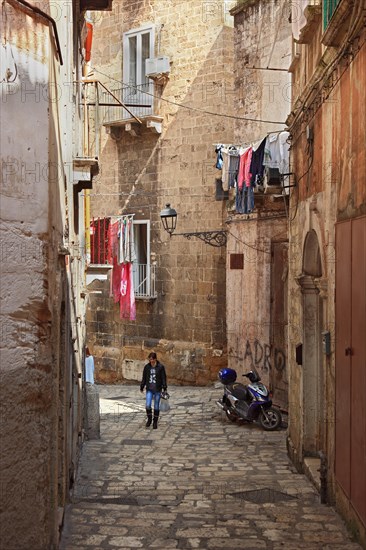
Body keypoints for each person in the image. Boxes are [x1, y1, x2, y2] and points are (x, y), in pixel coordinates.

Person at [140, 352, 167, 429]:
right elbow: (144, 378)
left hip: (157, 389)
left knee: (156, 406)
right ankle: (149, 419)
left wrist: (164, 387)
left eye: (152, 359)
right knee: (148, 405)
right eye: (150, 359)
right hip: (149, 389)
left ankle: (155, 421)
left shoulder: (160, 367)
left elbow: (163, 378)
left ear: (155, 359)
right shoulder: (147, 367)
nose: (150, 361)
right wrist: (142, 386)